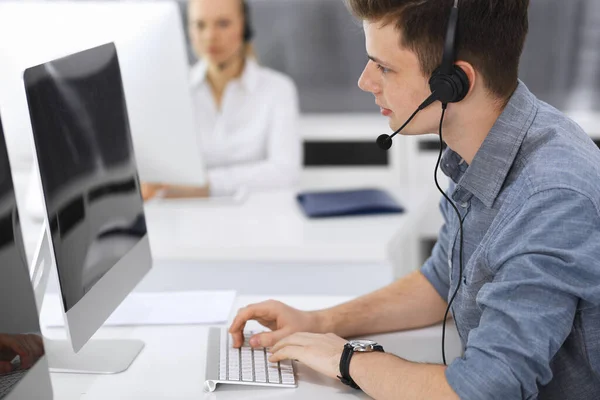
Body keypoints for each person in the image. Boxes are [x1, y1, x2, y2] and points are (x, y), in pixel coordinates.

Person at [228, 0, 600, 399]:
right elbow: (443, 281)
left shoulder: (552, 198)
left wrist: (348, 359)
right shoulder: (479, 147)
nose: (365, 81)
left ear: (453, 83)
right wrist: (318, 322)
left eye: (384, 67)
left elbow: (483, 391)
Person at [142, 0, 301, 200]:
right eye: (200, 25)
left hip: (259, 218)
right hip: (188, 217)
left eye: (223, 23)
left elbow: (285, 172)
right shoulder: (172, 91)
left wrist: (205, 185)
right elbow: (162, 175)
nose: (210, 36)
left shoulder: (278, 90)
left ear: (244, 26)